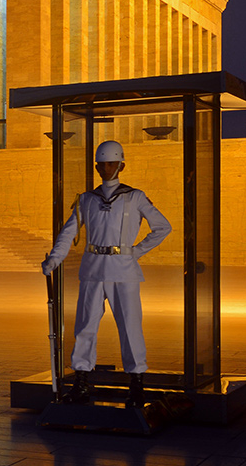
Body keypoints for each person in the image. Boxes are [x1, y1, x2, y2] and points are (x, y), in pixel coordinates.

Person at [42, 140, 172, 407]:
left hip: (123, 269)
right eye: (102, 165)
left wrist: (136, 251)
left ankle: (136, 382)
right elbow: (69, 232)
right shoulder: (87, 199)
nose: (106, 169)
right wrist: (55, 259)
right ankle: (81, 381)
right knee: (85, 326)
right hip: (92, 268)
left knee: (130, 326)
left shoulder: (134, 196)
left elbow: (163, 227)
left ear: (122, 165)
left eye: (111, 164)